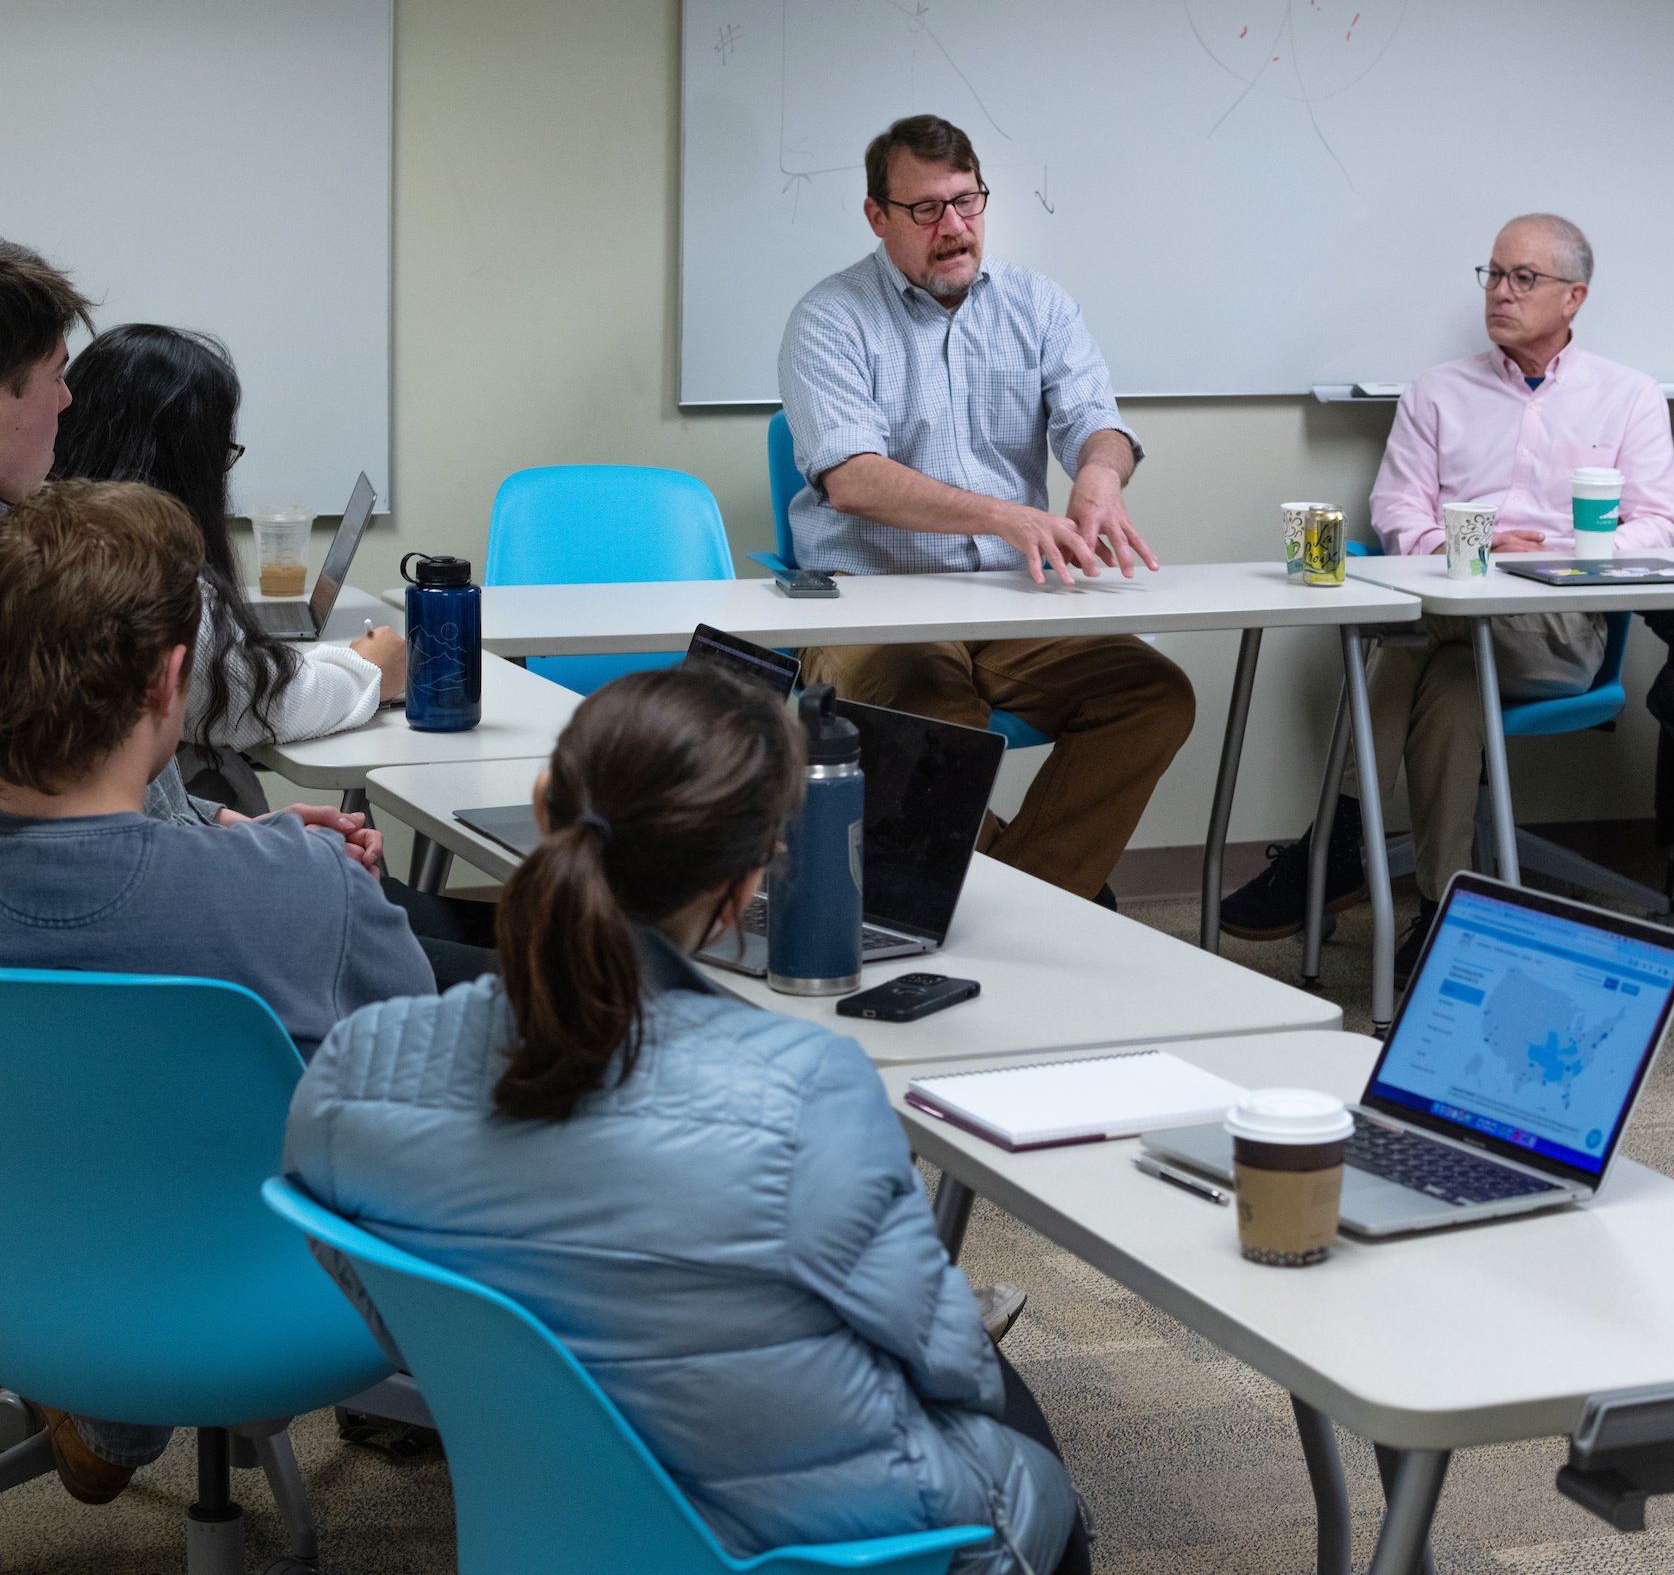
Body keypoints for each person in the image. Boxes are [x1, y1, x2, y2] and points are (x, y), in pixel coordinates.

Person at [284, 668, 1087, 1575]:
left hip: (542, 1500)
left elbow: (377, 1296)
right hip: (806, 1537)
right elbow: (950, 1368)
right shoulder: (807, 1093)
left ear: (544, 809)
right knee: (1024, 1451)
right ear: (749, 881)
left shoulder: (354, 1072)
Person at [0, 478, 436, 1506]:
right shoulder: (304, 892)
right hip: (297, 1309)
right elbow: (433, 1108)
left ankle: (109, 1402)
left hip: (20, 1298)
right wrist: (320, 899)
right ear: (170, 684)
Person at [1216, 214, 1674, 965]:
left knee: (1405, 634)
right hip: (1454, 618)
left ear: (1574, 297)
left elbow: (1663, 525)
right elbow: (1398, 509)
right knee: (1456, 677)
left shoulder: (1628, 396)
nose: (1500, 292)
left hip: (1555, 627)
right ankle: (1440, 914)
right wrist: (1466, 547)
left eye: (1523, 278)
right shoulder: (1437, 392)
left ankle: (1337, 838)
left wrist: (1566, 552)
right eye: (1493, 274)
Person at [779, 114, 1194, 906]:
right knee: (938, 719)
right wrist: (1007, 517)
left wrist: (1100, 478)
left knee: (1153, 695)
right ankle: (1044, 910)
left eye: (967, 202)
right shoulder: (829, 317)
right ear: (878, 215)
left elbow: (1097, 423)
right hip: (875, 598)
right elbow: (853, 479)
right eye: (926, 210)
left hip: (1009, 595)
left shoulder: (1037, 304)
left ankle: (1028, 906)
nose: (955, 229)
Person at [0, 239, 386, 853]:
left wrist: (226, 827)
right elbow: (250, 704)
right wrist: (371, 669)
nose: (66, 401)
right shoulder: (76, 566)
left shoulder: (37, 535)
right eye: (54, 376)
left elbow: (95, 804)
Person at [50, 324, 406, 773]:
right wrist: (365, 672)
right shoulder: (144, 571)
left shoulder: (51, 533)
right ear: (182, 461)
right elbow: (257, 705)